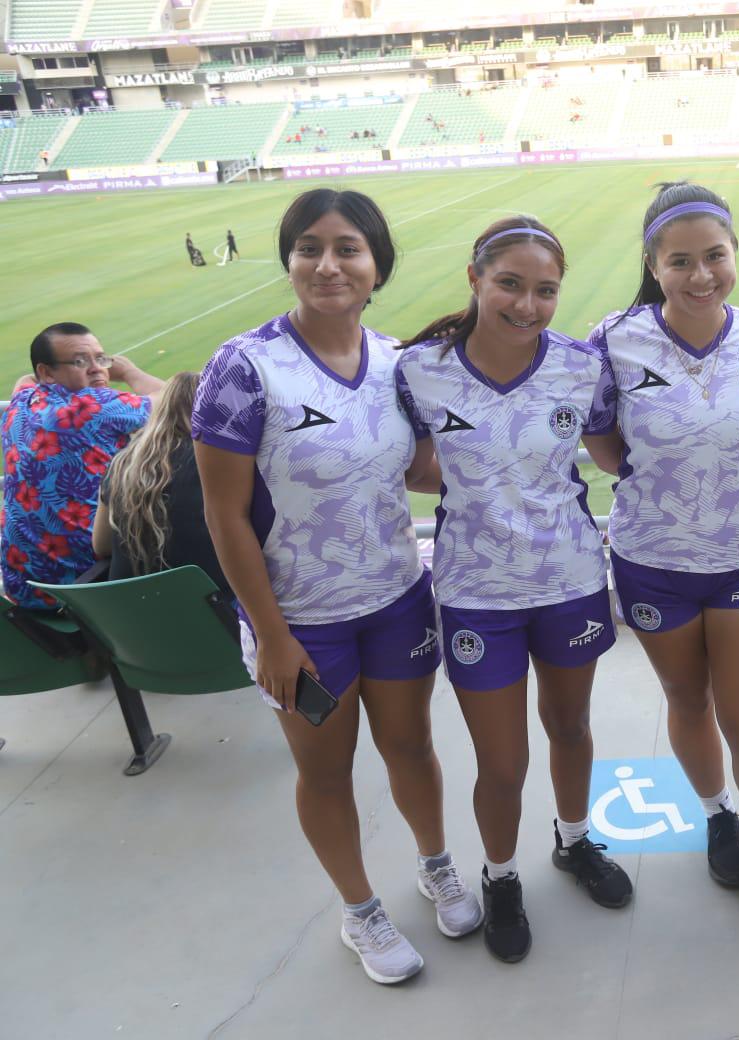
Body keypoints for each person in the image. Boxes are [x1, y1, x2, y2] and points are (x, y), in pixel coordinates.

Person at [193, 189, 478, 986]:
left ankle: (437, 865)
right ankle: (361, 912)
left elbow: (416, 469)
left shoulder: (394, 362)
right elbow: (224, 515)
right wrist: (272, 635)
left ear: (377, 264)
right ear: (289, 260)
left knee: (412, 746)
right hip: (301, 622)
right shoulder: (244, 368)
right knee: (325, 771)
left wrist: (501, 454)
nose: (328, 265)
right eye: (308, 247)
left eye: (348, 248)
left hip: (395, 598)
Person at [396, 215, 631, 963]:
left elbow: (616, 452)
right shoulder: (418, 370)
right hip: (476, 594)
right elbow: (410, 465)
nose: (527, 305)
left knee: (571, 727)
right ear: (474, 279)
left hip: (569, 579)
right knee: (502, 763)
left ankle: (573, 841)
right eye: (510, 285)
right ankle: (500, 877)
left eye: (545, 291)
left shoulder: (580, 366)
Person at [583, 182, 739, 913]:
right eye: (680, 261)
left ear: (735, 253)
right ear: (653, 263)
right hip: (652, 559)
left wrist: (726, 478)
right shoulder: (615, 339)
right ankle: (716, 815)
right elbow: (606, 448)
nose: (701, 275)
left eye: (715, 256)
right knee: (686, 697)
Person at [3, 323, 163, 610]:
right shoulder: (93, 406)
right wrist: (127, 372)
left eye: (101, 359)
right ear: (46, 372)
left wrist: (84, 369)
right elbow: (170, 400)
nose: (96, 368)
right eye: (80, 361)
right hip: (85, 589)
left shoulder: (21, 401)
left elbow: (23, 380)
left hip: (23, 588)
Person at [91, 371, 230, 600]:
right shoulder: (217, 461)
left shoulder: (122, 464)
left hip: (134, 620)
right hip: (208, 612)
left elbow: (101, 545)